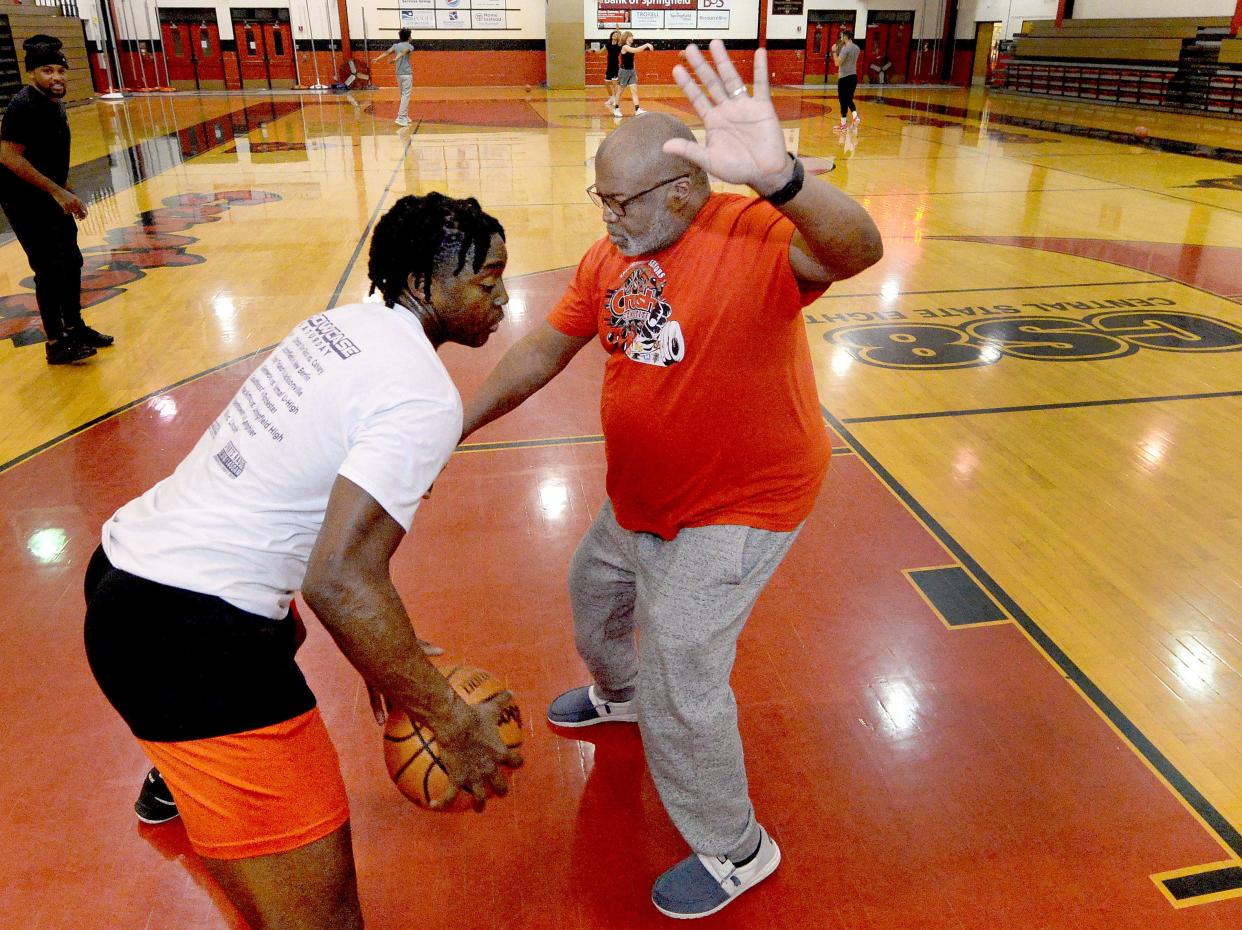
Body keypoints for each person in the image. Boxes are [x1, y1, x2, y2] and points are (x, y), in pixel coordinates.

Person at [461, 40, 882, 920]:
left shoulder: (755, 234)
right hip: (644, 497)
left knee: (682, 673)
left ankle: (735, 848)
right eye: (600, 199)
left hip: (741, 505)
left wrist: (785, 180)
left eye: (622, 201)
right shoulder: (611, 258)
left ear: (684, 191)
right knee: (595, 593)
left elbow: (858, 251)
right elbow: (546, 346)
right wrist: (455, 425)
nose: (608, 216)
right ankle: (617, 698)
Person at [84, 193, 522, 930]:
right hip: (191, 642)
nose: (504, 299)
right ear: (421, 282)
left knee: (278, 627)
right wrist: (443, 715)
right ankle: (199, 764)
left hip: (128, 572)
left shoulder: (338, 326)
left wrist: (389, 660)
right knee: (325, 924)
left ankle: (183, 775)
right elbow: (339, 577)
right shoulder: (422, 395)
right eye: (486, 282)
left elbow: (310, 548)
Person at [0, 35, 112, 365]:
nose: (56, 77)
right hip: (23, 199)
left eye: (60, 70)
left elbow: (51, 155)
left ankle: (74, 327)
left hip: (52, 194)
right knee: (48, 269)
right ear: (31, 74)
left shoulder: (54, 102)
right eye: (47, 71)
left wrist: (68, 190)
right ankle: (55, 342)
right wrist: (57, 191)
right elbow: (8, 156)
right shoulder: (24, 106)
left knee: (72, 261)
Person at [375, 28, 414, 126]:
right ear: (409, 37)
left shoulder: (396, 46)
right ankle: (401, 117)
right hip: (406, 74)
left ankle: (404, 116)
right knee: (406, 95)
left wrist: (377, 59)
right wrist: (396, 58)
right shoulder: (410, 46)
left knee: (403, 95)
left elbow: (387, 52)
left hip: (398, 74)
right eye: (411, 36)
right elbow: (404, 52)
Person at [617, 32, 655, 116]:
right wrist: (647, 44)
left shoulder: (630, 46)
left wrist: (634, 72)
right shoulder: (625, 47)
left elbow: (632, 61)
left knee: (634, 91)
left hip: (631, 71)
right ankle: (616, 108)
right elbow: (636, 50)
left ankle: (637, 109)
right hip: (624, 71)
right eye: (631, 37)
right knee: (620, 91)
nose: (633, 38)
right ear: (627, 38)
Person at [832, 30, 861, 130]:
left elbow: (837, 63)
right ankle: (847, 121)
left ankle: (853, 116)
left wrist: (834, 52)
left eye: (841, 36)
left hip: (844, 77)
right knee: (848, 98)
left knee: (843, 99)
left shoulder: (845, 49)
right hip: (853, 76)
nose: (841, 38)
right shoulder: (857, 48)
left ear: (845, 36)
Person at [601, 30, 624, 118]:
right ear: (611, 36)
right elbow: (600, 51)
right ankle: (611, 97)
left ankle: (615, 99)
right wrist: (594, 51)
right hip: (609, 66)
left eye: (616, 34)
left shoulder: (619, 45)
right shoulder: (608, 45)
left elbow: (621, 38)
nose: (614, 35)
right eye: (613, 34)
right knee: (606, 83)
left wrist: (618, 31)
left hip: (615, 66)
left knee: (615, 84)